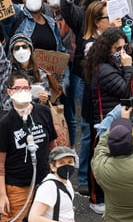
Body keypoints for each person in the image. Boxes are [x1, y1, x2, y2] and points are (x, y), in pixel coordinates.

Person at [0, 71, 59, 222]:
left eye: (26, 88)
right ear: (9, 91)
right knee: (12, 218)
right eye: (17, 88)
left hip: (44, 181)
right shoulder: (5, 123)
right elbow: (0, 164)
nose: (22, 91)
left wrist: (57, 175)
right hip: (18, 185)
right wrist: (2, 195)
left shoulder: (43, 112)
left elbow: (54, 147)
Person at [30, 146, 77, 222]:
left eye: (70, 162)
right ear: (52, 167)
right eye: (61, 163)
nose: (67, 166)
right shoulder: (49, 187)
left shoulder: (67, 182)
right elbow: (33, 218)